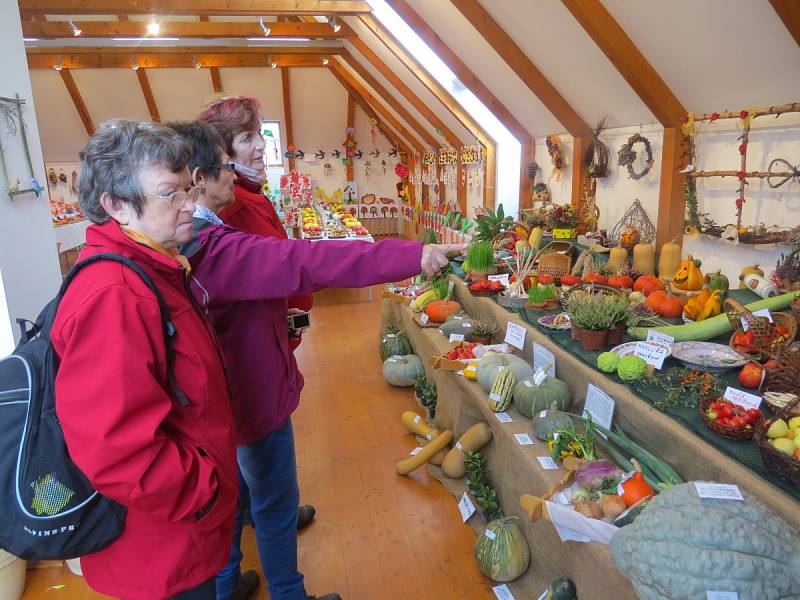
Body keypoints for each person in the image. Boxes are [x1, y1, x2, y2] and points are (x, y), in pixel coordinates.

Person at [167, 119, 462, 600]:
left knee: (236, 495)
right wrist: (417, 254)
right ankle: (286, 593)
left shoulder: (194, 244)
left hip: (230, 395)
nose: (236, 174)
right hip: (251, 395)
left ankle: (229, 585)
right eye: (227, 164)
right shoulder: (212, 248)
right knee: (273, 494)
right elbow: (306, 261)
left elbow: (299, 265)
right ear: (198, 178)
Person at [50, 121, 239, 600]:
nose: (191, 205)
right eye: (170, 194)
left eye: (189, 188)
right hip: (160, 547)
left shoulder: (154, 268)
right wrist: (204, 491)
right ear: (116, 206)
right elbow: (115, 448)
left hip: (175, 536)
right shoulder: (115, 295)